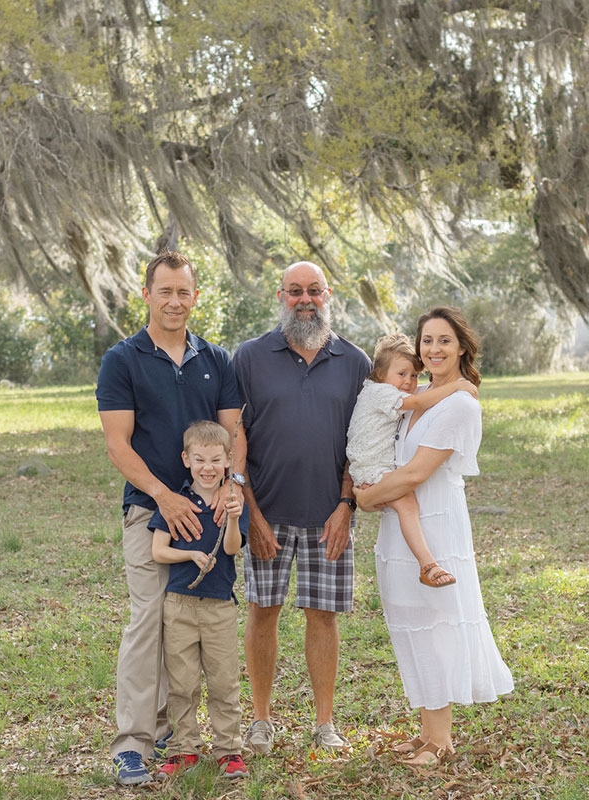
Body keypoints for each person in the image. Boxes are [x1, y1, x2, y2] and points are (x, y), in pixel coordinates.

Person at [95, 250, 246, 786]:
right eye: (166, 291)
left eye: (184, 292)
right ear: (147, 295)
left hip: (208, 515)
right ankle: (133, 743)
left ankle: (169, 728)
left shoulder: (218, 360)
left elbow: (234, 434)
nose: (175, 301)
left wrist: (233, 486)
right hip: (150, 511)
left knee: (187, 622)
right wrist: (164, 496)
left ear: (195, 296)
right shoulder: (123, 359)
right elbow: (118, 444)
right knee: (147, 619)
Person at [353, 306, 513, 766]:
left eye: (444, 340)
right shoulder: (416, 395)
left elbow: (416, 473)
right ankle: (426, 733)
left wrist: (364, 499)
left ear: (461, 345)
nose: (434, 349)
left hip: (435, 526)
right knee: (412, 625)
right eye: (427, 341)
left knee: (437, 626)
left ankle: (441, 741)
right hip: (400, 530)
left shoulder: (459, 404)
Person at [232, 261, 371, 754]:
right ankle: (261, 720)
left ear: (328, 294)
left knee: (323, 617)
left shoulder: (355, 361)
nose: (305, 299)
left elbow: (365, 441)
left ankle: (324, 724)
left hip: (329, 515)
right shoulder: (247, 357)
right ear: (281, 296)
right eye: (295, 291)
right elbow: (235, 436)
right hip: (266, 513)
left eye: (314, 290)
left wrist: (346, 505)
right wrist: (251, 514)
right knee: (262, 612)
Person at [149, 421, 249, 780]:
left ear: (227, 463)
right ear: (186, 459)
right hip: (180, 603)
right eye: (200, 459)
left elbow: (232, 548)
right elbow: (158, 551)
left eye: (216, 460)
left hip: (220, 604)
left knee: (224, 681)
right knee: (182, 681)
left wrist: (235, 521)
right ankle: (183, 749)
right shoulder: (175, 502)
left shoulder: (233, 502)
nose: (208, 467)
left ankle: (228, 750)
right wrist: (189, 555)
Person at [347, 333, 478, 588]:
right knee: (406, 504)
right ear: (381, 373)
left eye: (414, 375)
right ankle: (427, 564)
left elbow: (420, 395)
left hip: (370, 464)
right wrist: (456, 386)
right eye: (402, 374)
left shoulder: (384, 388)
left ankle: (426, 564)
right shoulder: (380, 393)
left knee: (405, 505)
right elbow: (418, 400)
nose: (408, 382)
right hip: (370, 466)